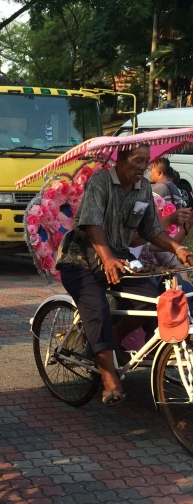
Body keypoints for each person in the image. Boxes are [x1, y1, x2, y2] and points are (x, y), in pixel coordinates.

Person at [56, 145, 193, 406]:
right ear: (120, 160)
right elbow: (92, 224)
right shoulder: (101, 180)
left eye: (146, 161)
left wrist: (179, 249)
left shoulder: (143, 188)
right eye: (137, 160)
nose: (143, 166)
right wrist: (106, 258)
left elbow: (152, 229)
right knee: (96, 309)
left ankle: (115, 339)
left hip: (119, 256)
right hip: (80, 259)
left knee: (154, 300)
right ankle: (109, 380)